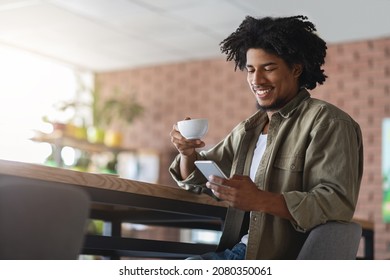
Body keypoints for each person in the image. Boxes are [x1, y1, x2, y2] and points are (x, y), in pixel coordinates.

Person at [169, 15, 363, 260]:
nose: (257, 80)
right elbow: (199, 180)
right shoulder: (248, 130)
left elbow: (336, 203)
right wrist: (187, 154)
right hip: (242, 249)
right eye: (251, 70)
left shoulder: (328, 122)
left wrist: (261, 200)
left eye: (268, 68)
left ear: (295, 69)